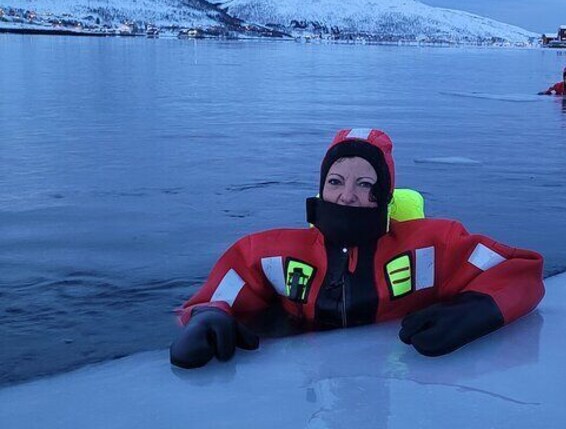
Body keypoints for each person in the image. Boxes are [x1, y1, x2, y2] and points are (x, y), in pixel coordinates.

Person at [170, 128, 545, 368]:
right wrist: (208, 316)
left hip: (391, 365)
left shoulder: (434, 246)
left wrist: (475, 312)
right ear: (321, 188)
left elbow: (519, 269)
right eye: (335, 181)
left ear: (384, 195)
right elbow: (224, 286)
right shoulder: (271, 253)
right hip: (309, 369)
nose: (347, 196)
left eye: (365, 185)